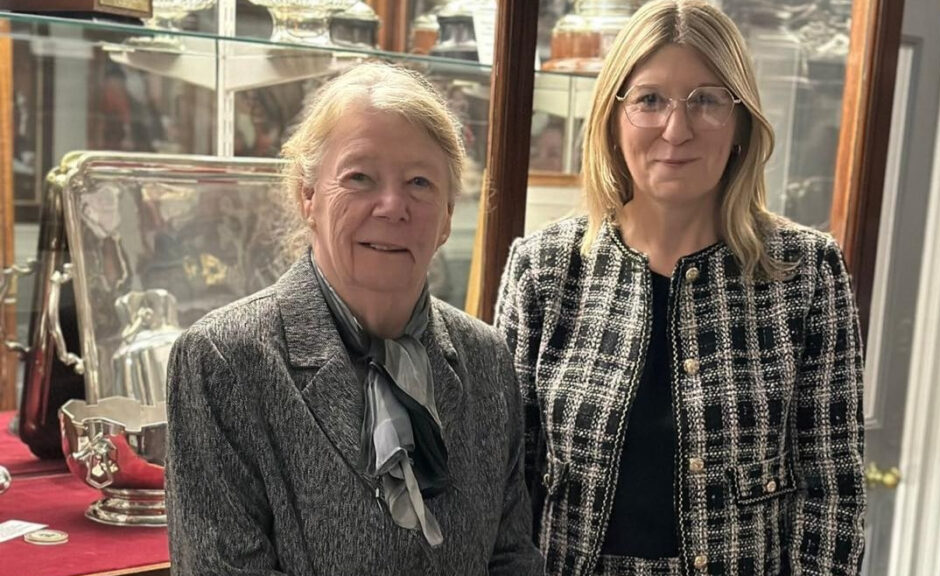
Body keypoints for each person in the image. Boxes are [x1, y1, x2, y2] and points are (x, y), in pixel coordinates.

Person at [496, 1, 866, 575]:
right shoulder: (544, 269)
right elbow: (504, 488)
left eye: (706, 101)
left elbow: (833, 492)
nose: (677, 129)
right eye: (649, 100)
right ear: (613, 119)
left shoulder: (805, 272)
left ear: (741, 122)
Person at [165, 62, 544, 576]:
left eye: (419, 182)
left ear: (448, 216)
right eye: (360, 177)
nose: (392, 206)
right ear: (308, 196)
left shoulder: (486, 358)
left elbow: (512, 558)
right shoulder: (223, 360)